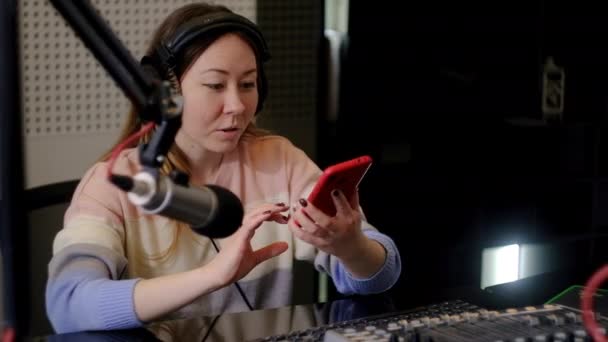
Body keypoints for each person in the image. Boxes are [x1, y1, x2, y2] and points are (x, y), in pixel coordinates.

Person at [45, 2, 401, 334]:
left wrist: (351, 247)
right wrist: (214, 275)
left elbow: (381, 274)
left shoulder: (281, 161)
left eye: (248, 84)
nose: (237, 105)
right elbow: (69, 304)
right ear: (166, 91)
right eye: (215, 85)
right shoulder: (115, 186)